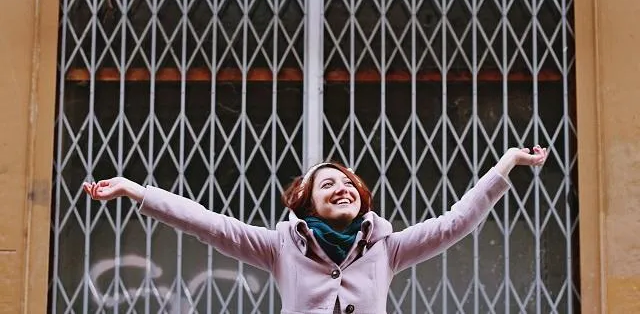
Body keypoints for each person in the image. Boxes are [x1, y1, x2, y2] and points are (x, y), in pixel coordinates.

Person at [84, 145, 548, 314]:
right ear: (306, 203)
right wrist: (132, 190)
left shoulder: (387, 248)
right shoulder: (278, 247)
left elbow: (456, 222)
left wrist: (507, 163)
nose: (342, 187)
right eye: (328, 184)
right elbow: (207, 223)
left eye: (348, 183)